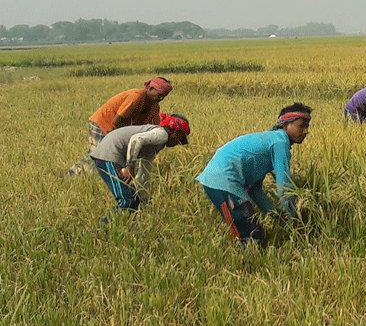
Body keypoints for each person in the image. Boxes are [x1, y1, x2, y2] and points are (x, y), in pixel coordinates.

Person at [196, 102, 312, 246]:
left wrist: (276, 215)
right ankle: (245, 266)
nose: (306, 131)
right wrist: (295, 218)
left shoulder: (269, 141)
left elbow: (254, 189)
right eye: (302, 126)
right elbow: (285, 187)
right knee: (251, 235)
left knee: (252, 232)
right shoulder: (280, 141)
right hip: (223, 181)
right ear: (286, 125)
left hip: (217, 180)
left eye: (307, 126)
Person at [90, 113, 190, 219]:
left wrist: (143, 198)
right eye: (180, 138)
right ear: (176, 132)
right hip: (109, 154)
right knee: (127, 201)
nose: (178, 143)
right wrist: (130, 166)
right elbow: (136, 140)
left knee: (135, 201)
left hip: (112, 156)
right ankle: (102, 228)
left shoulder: (156, 143)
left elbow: (144, 171)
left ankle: (125, 227)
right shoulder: (162, 134)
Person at [67, 77, 173, 177]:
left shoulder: (154, 106)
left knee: (110, 158)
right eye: (159, 95)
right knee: (98, 156)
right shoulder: (136, 97)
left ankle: (96, 177)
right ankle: (72, 175)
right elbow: (117, 120)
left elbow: (152, 126)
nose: (161, 98)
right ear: (150, 88)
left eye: (164, 96)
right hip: (103, 124)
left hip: (115, 130)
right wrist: (119, 139)